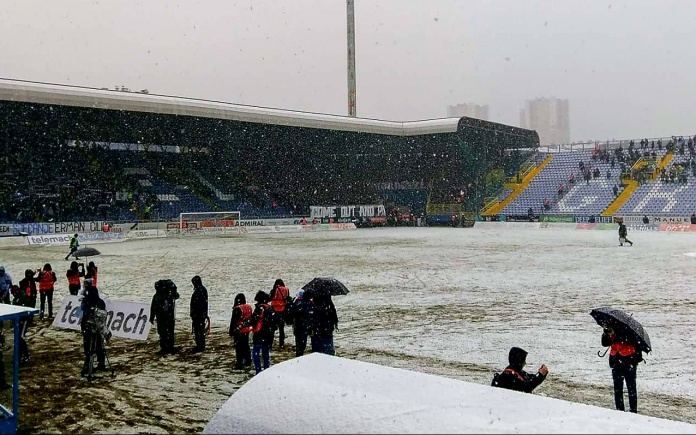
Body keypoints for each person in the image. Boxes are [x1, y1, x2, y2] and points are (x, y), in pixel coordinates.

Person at [602, 324, 642, 413]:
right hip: (616, 361)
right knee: (617, 388)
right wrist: (606, 334)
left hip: (629, 361)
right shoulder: (610, 329)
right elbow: (604, 343)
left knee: (631, 387)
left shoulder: (628, 331)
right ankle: (619, 410)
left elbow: (628, 341)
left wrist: (615, 334)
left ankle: (633, 410)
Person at [243, 291, 275, 374]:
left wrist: (243, 325)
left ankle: (258, 370)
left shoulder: (259, 309)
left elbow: (253, 320)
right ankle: (267, 368)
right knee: (265, 352)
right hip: (267, 333)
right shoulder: (270, 308)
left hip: (259, 332)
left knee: (255, 352)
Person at [80, 282, 107, 376]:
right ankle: (101, 363)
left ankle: (88, 366)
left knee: (89, 348)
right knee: (99, 345)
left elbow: (84, 315)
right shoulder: (100, 302)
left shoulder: (87, 302)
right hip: (98, 327)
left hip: (89, 328)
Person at [150, 279, 179, 356]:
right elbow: (176, 296)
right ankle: (170, 347)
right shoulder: (169, 295)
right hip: (169, 317)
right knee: (170, 332)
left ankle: (164, 348)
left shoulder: (157, 296)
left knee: (163, 333)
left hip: (161, 318)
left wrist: (152, 317)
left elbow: (153, 308)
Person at [310, 290, 338, 356]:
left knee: (317, 351)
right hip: (327, 328)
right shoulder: (329, 303)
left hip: (317, 329)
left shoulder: (314, 304)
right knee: (328, 348)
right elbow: (333, 314)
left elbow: (312, 316)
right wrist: (335, 323)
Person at [229, 293, 252, 369]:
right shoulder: (249, 307)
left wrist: (231, 331)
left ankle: (239, 363)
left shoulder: (237, 309)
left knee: (238, 347)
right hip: (246, 330)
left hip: (238, 330)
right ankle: (248, 360)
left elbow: (233, 321)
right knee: (246, 346)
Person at [10, 285, 31, 364]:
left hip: (23, 320)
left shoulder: (22, 297)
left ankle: (25, 356)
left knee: (21, 338)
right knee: (18, 338)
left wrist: (25, 318)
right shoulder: (16, 299)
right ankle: (20, 356)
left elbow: (26, 307)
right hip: (18, 321)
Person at [291, 290, 313, 357]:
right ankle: (300, 356)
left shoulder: (298, 304)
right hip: (304, 328)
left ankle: (299, 357)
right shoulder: (310, 305)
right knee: (302, 345)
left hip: (299, 328)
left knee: (299, 346)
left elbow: (293, 315)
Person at [189, 275, 209, 353]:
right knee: (200, 330)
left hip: (198, 315)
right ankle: (201, 345)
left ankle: (200, 346)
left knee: (198, 331)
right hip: (201, 314)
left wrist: (194, 313)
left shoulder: (198, 291)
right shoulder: (203, 290)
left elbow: (197, 304)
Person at [269, 279, 290, 349]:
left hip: (275, 309)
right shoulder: (286, 289)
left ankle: (270, 344)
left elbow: (270, 298)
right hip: (283, 310)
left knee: (272, 329)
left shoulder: (275, 289)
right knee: (281, 328)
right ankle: (281, 343)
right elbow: (287, 298)